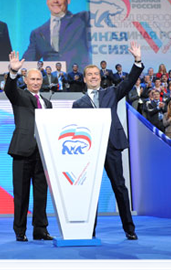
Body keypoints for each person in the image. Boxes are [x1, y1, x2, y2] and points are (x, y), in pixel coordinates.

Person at [72, 41, 143, 240]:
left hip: (112, 146)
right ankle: (89, 231)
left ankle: (130, 229)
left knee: (120, 187)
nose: (93, 77)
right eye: (90, 75)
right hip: (90, 151)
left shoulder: (111, 92)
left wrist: (137, 60)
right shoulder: (78, 104)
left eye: (96, 74)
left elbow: (129, 82)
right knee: (90, 191)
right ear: (84, 79)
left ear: (100, 77)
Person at [5, 51, 53, 242]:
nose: (35, 82)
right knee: (21, 194)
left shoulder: (47, 103)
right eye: (32, 79)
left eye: (38, 79)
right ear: (25, 80)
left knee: (41, 194)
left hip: (42, 154)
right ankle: (20, 230)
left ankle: (40, 230)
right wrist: (12, 72)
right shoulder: (19, 96)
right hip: (22, 151)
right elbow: (9, 89)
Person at [22, 0, 90, 69]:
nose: (55, 1)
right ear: (47, 0)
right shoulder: (38, 33)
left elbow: (97, 9)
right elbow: (26, 63)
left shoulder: (82, 20)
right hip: (51, 80)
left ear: (68, 0)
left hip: (77, 78)